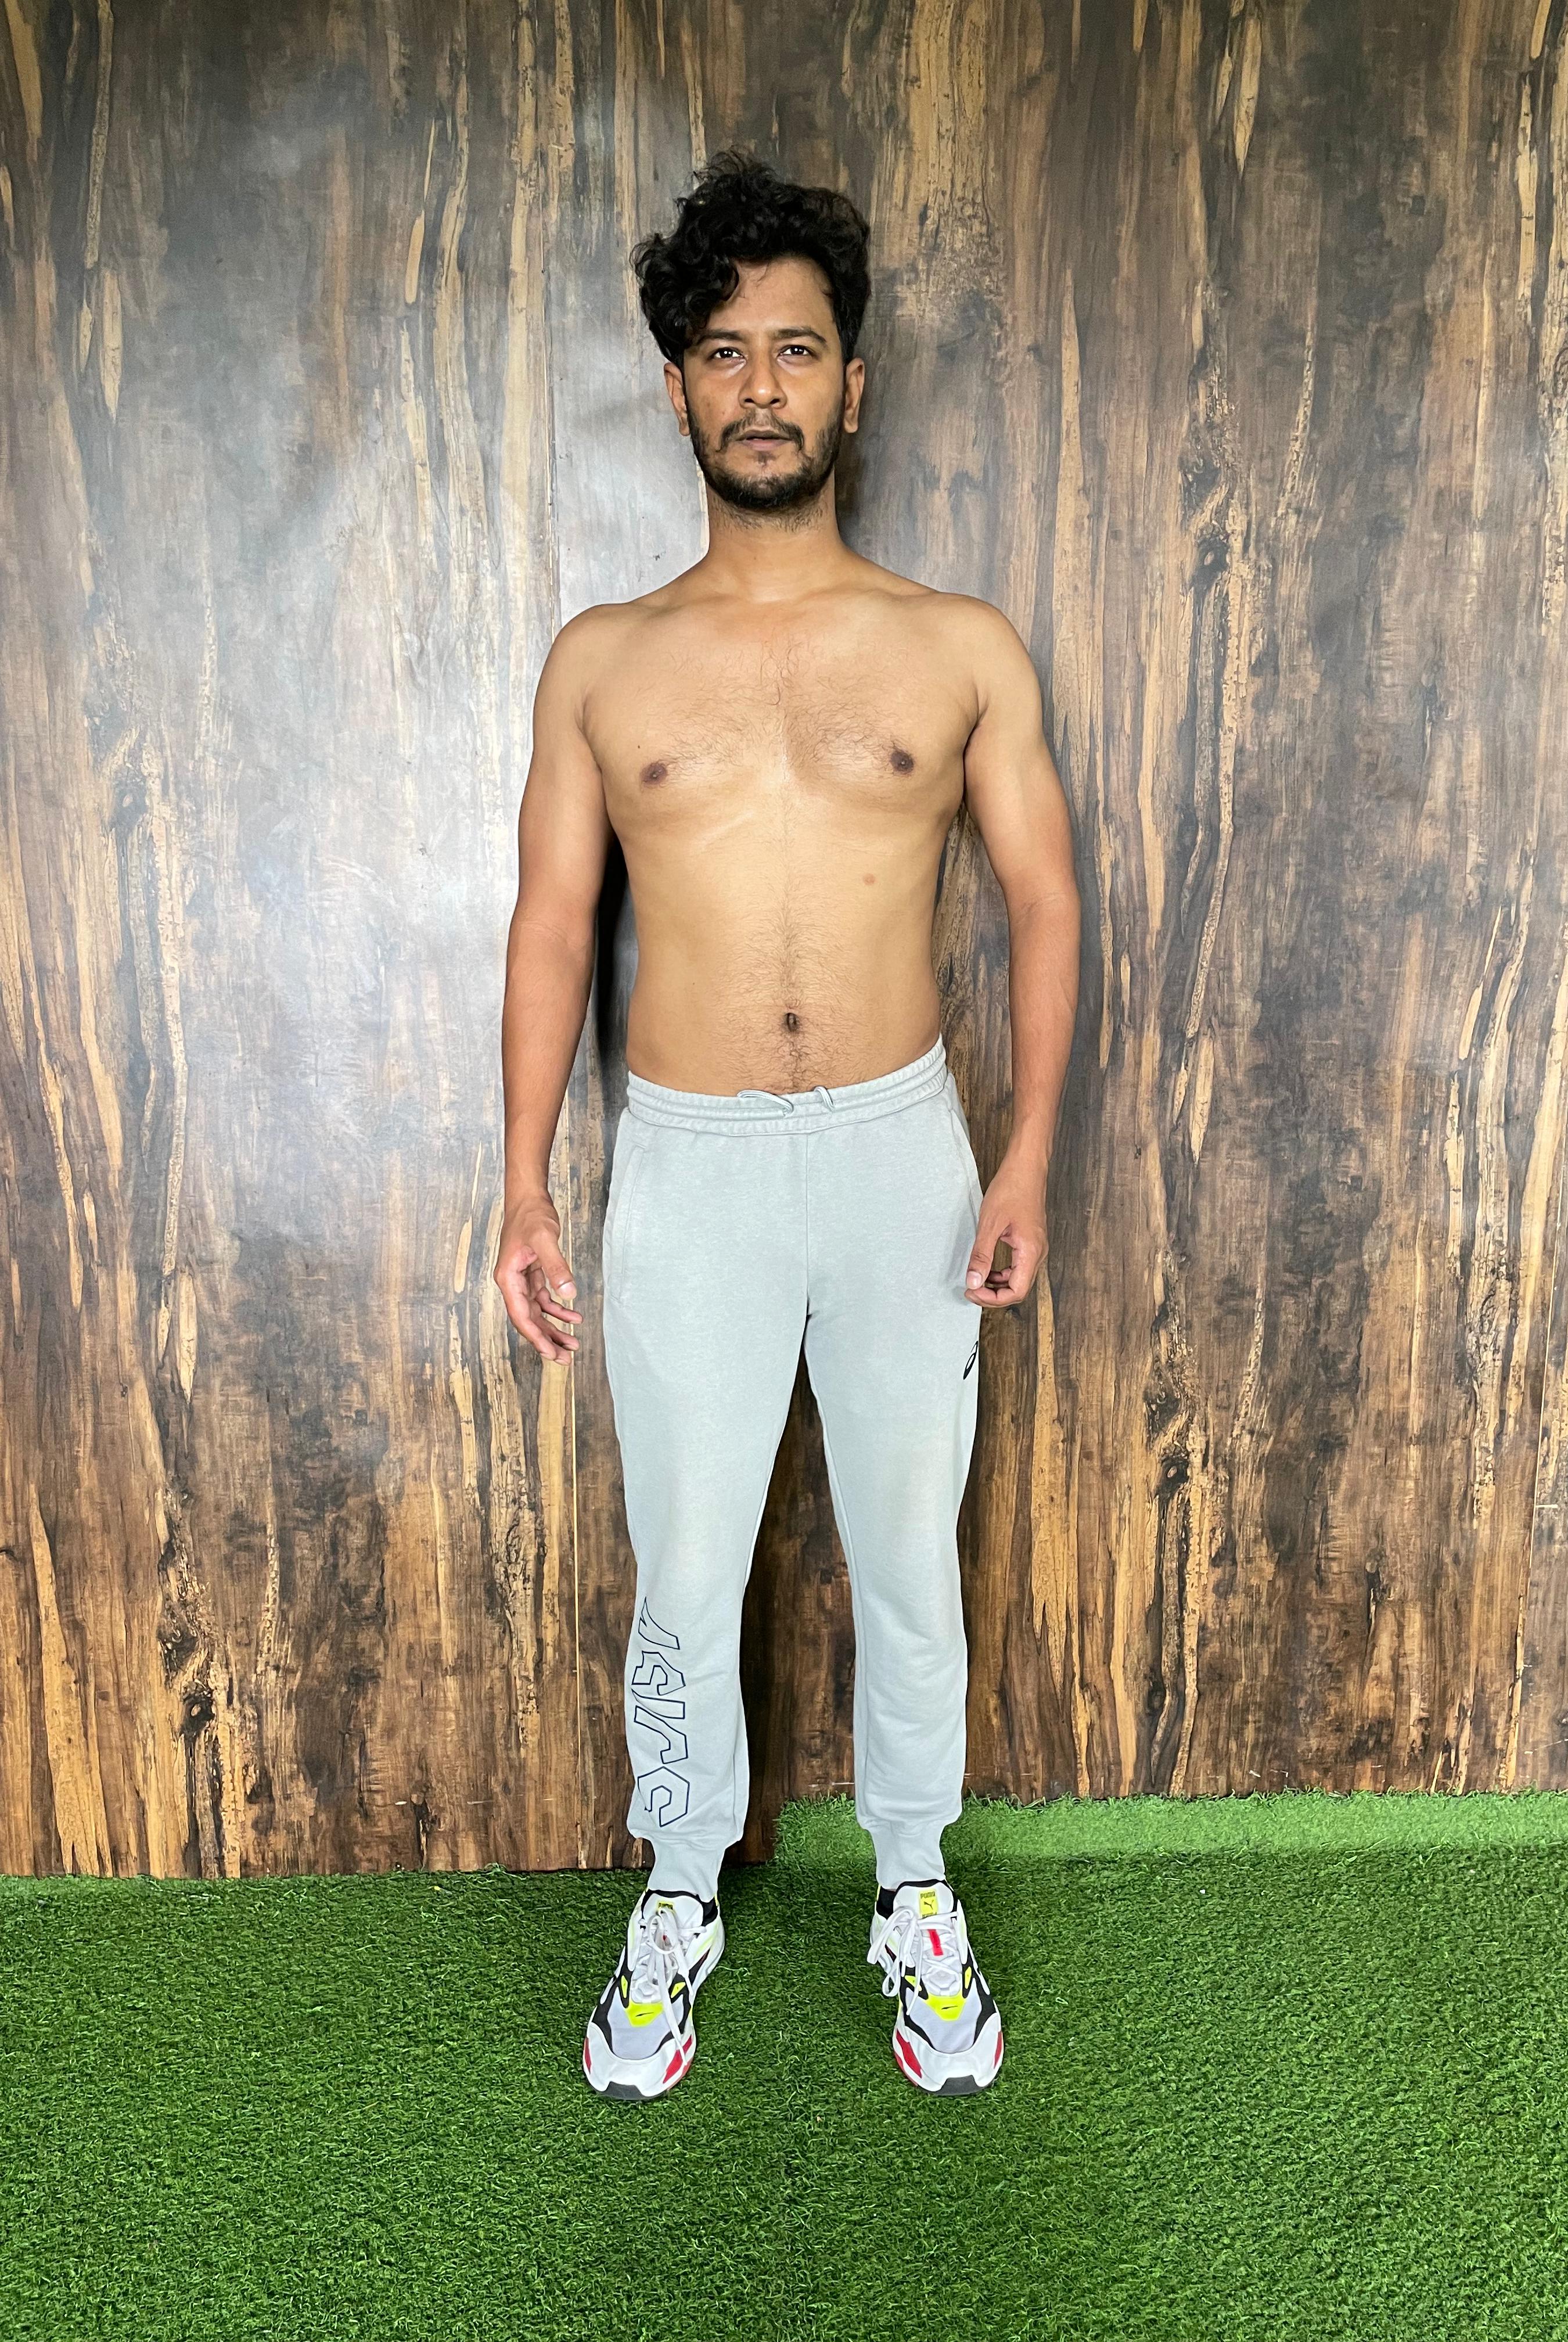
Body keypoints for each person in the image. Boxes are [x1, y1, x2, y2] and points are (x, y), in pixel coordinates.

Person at [495, 149, 1080, 2101]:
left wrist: (1025, 1154)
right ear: (679, 388)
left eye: (799, 349)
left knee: (910, 1549)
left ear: (854, 384)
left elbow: (1046, 902)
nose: (763, 385)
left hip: (905, 1160)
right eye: (727, 351)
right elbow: (553, 923)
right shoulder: (603, 661)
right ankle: (679, 1889)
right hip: (689, 1170)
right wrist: (522, 1184)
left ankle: (916, 1889)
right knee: (687, 1564)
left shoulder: (959, 645)